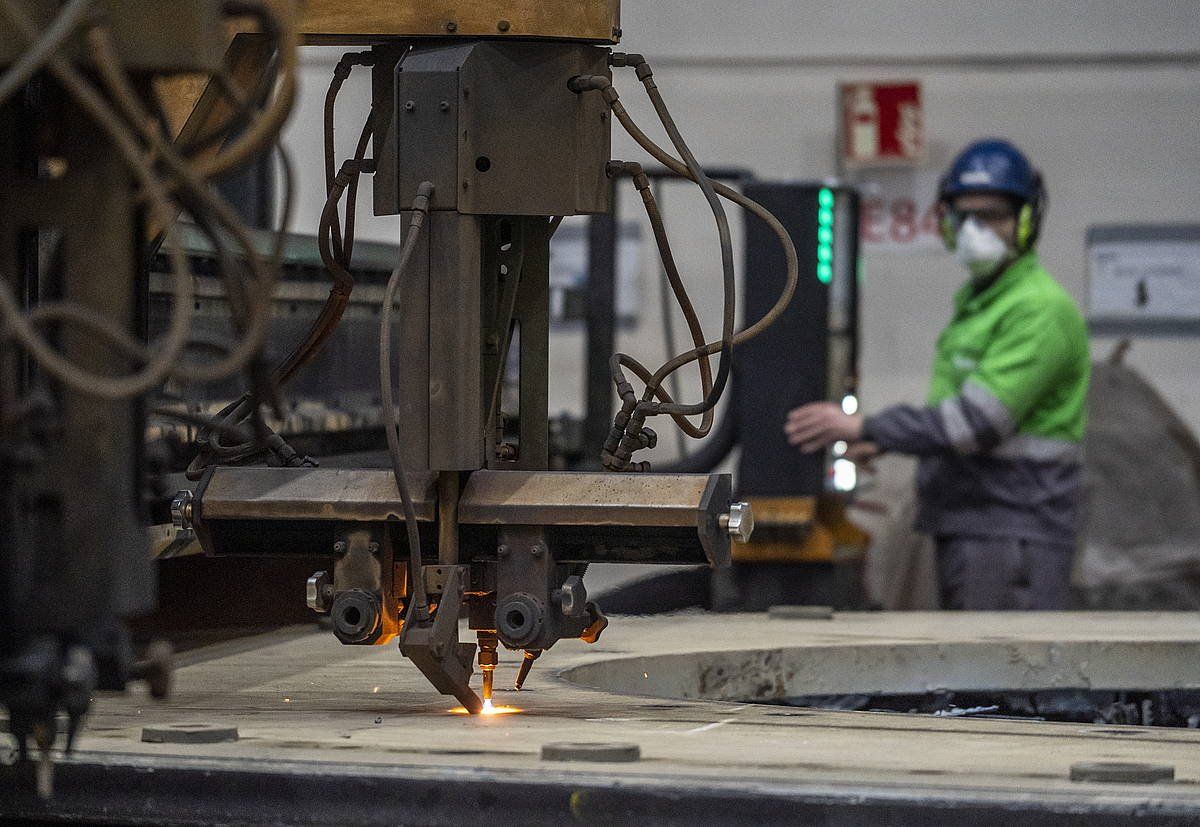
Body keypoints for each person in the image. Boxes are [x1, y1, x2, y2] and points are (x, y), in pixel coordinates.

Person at [784, 139, 1090, 610]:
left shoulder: (1038, 310)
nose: (973, 230)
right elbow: (955, 416)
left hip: (1011, 533)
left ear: (1026, 221)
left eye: (990, 216)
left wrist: (866, 426)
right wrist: (886, 441)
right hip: (976, 522)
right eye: (962, 216)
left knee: (998, 673)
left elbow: (976, 424)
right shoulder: (981, 303)